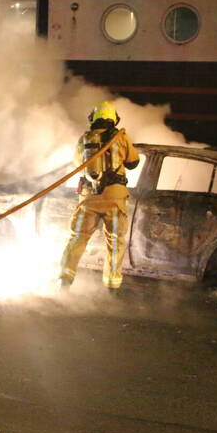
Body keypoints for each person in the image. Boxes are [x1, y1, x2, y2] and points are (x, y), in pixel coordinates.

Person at [59, 101, 140, 293]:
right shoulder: (121, 137)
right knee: (115, 242)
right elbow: (133, 163)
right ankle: (112, 287)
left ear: (93, 119)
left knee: (77, 238)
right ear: (114, 119)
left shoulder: (84, 140)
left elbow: (78, 163)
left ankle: (64, 281)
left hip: (89, 199)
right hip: (114, 198)